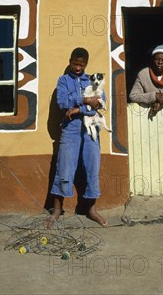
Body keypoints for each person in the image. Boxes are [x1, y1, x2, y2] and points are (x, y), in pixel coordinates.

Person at [49, 47, 108, 226]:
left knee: (92, 165)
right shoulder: (63, 80)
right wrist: (84, 100)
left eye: (81, 65)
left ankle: (91, 209)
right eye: (75, 63)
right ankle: (57, 209)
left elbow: (99, 102)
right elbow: (62, 102)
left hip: (90, 129)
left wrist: (77, 109)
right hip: (71, 129)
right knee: (64, 166)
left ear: (86, 64)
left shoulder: (93, 79)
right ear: (70, 61)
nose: (78, 67)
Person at [128, 45, 163, 119]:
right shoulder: (143, 74)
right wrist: (155, 96)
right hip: (146, 120)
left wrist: (162, 100)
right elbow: (133, 96)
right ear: (152, 60)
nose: (160, 62)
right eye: (156, 59)